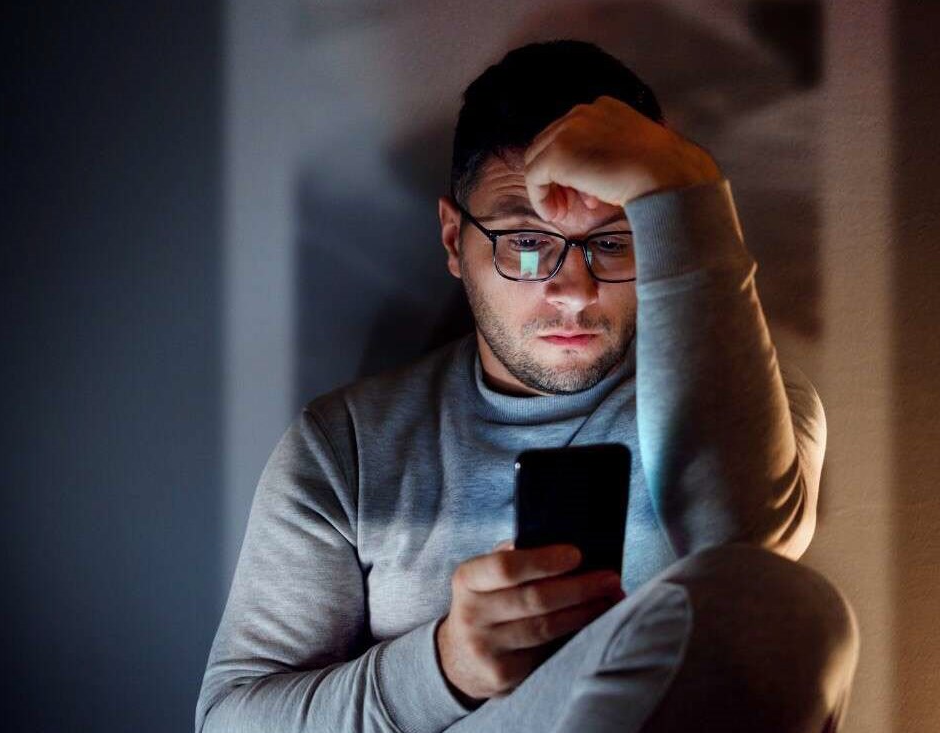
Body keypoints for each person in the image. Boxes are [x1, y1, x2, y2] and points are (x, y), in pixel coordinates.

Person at [195, 39, 858, 733]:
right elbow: (229, 721)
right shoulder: (345, 447)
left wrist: (681, 186)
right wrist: (445, 664)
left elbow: (741, 558)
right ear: (454, 241)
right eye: (525, 243)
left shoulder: (761, 407)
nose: (571, 293)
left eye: (611, 241)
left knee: (785, 607)